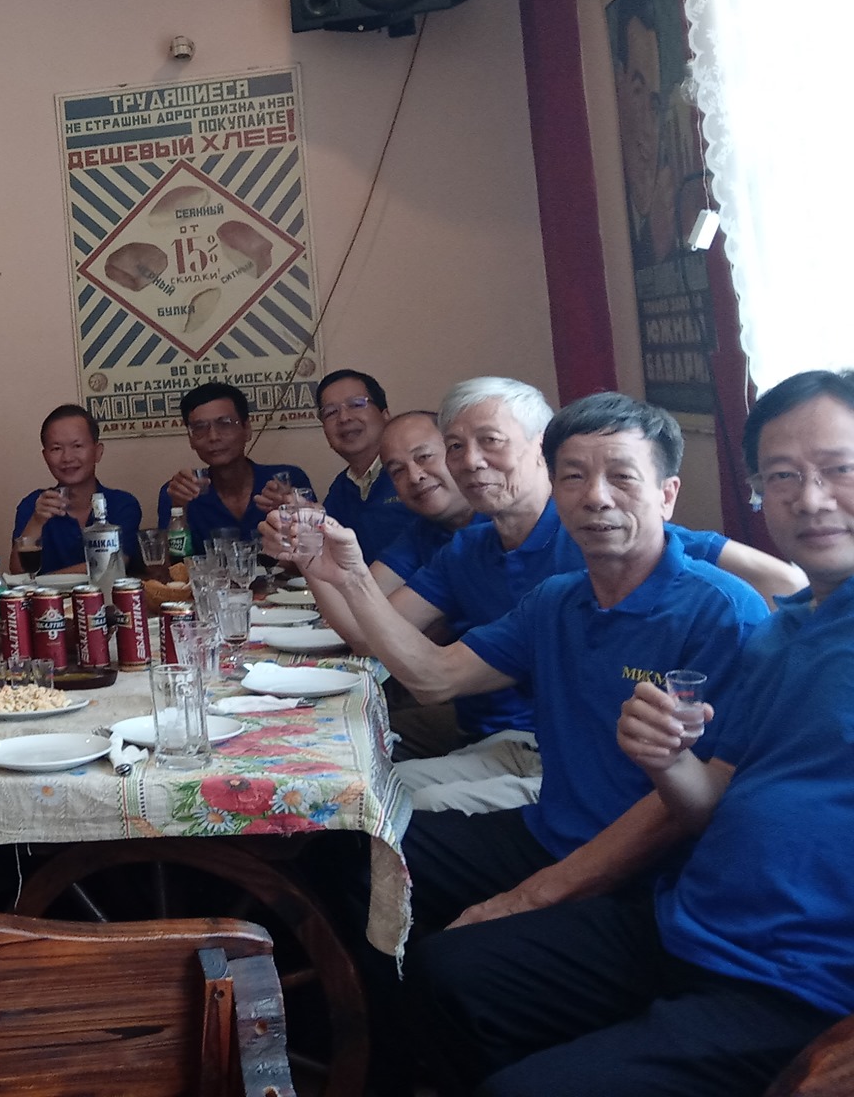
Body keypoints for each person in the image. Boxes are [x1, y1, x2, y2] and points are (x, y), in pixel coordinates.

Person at [412, 370, 854, 1097]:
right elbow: (709, 799)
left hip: (799, 981)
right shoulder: (785, 632)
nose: (810, 498)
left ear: (667, 494)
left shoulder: (725, 609)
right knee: (447, 969)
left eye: (838, 469)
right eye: (782, 475)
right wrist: (668, 761)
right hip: (689, 923)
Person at [305, 393, 767, 942]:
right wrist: (351, 578)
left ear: (666, 495)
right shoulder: (555, 598)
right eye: (573, 477)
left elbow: (690, 807)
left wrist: (531, 896)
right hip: (549, 827)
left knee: (452, 964)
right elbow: (435, 677)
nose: (596, 497)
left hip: (650, 873)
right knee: (348, 849)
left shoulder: (722, 611)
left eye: (621, 477)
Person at [279, 376, 798, 813]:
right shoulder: (479, 551)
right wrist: (333, 571)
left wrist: (786, 669)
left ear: (542, 447)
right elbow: (414, 662)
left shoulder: (606, 530)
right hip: (512, 740)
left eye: (490, 441)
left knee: (381, 808)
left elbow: (783, 583)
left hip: (596, 766)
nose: (470, 462)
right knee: (351, 798)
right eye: (455, 446)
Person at [156, 381, 310, 544]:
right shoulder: (180, 492)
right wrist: (179, 508)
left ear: (247, 429)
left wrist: (291, 509)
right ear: (191, 439)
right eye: (200, 428)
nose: (213, 437)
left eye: (225, 424)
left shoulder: (286, 480)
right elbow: (164, 560)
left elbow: (314, 547)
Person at [10, 404, 143, 575]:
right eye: (56, 449)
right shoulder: (33, 505)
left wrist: (41, 582)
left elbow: (114, 563)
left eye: (77, 446)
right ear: (45, 456)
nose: (67, 457)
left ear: (97, 452)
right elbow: (18, 573)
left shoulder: (122, 504)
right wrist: (36, 521)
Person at [369, 408, 475, 586]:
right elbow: (367, 594)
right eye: (398, 470)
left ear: (457, 450)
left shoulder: (504, 525)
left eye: (424, 457)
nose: (414, 476)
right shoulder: (423, 532)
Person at [315, 369, 410, 564]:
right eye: (331, 412)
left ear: (385, 415)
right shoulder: (342, 487)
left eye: (356, 404)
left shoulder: (412, 474)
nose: (344, 418)